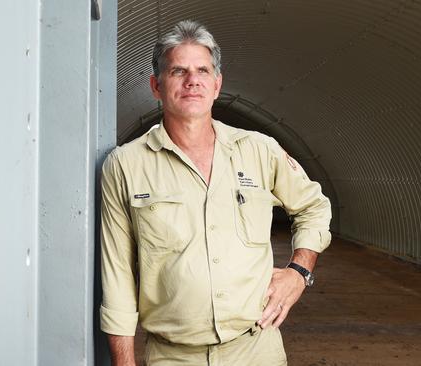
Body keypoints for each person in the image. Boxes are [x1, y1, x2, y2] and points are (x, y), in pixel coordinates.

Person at [99, 20, 332, 365]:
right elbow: (117, 276)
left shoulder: (259, 150)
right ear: (156, 86)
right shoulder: (125, 165)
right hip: (172, 355)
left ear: (217, 84)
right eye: (178, 71)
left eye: (202, 71)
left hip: (257, 348)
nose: (193, 81)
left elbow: (314, 206)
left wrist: (299, 272)